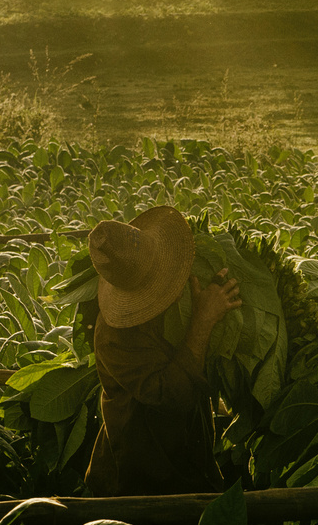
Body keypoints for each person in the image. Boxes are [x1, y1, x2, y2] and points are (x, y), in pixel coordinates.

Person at [83, 205, 242, 496]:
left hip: (191, 456)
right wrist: (203, 321)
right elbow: (170, 395)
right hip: (140, 477)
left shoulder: (179, 301)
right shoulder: (114, 337)